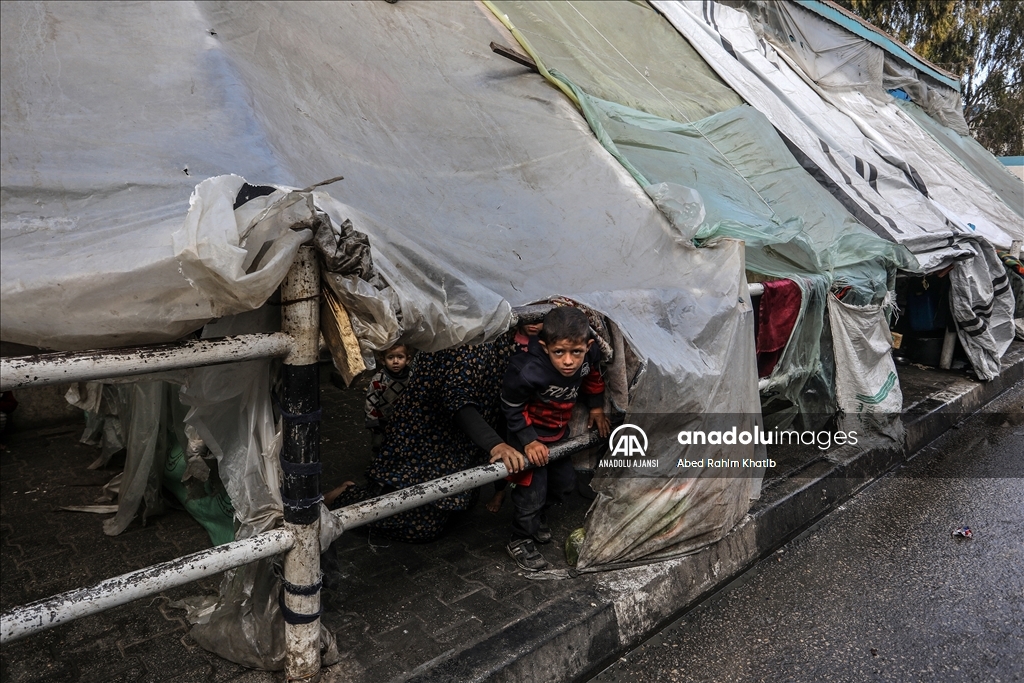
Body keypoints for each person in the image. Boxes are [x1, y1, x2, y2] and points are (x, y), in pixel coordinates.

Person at [326, 332, 526, 542]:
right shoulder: (467, 337)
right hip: (424, 438)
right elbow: (456, 396)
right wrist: (495, 444)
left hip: (460, 441)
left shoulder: (505, 330)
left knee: (454, 508)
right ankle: (344, 495)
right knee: (419, 525)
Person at [500, 307, 610, 571]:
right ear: (545, 346)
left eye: (576, 352)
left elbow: (593, 375)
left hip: (559, 435)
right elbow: (510, 406)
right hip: (529, 438)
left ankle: (537, 518)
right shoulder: (527, 369)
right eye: (559, 352)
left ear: (588, 345)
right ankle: (520, 538)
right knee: (532, 494)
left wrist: (596, 408)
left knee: (564, 484)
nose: (569, 361)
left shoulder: (589, 356)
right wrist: (528, 440)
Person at [485, 320, 544, 513]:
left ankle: (525, 496)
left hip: (533, 408)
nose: (534, 324)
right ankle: (500, 490)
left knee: (531, 454)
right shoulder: (507, 339)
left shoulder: (549, 343)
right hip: (507, 404)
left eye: (540, 319)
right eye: (530, 318)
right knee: (505, 448)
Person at [364, 344, 412, 454]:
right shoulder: (379, 379)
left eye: (400, 357)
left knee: (400, 444)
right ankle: (376, 464)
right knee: (378, 444)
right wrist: (372, 420)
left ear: (408, 359)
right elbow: (370, 400)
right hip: (381, 421)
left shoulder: (411, 377)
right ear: (383, 360)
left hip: (403, 420)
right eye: (390, 357)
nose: (395, 361)